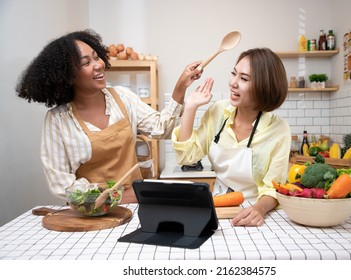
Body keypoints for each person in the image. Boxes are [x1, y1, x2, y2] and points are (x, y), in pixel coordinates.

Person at [15, 29, 202, 204]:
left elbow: (163, 128)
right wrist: (114, 198)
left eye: (96, 57)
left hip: (135, 207)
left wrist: (180, 87)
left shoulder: (122, 97)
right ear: (67, 76)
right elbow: (62, 184)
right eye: (86, 63)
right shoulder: (58, 120)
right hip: (90, 212)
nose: (98, 65)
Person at [172, 48, 291, 227]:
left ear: (264, 85)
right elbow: (186, 156)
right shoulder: (218, 112)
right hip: (218, 209)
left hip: (257, 214)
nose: (233, 83)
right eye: (233, 74)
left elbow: (273, 188)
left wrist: (259, 209)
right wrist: (190, 107)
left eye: (243, 79)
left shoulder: (278, 129)